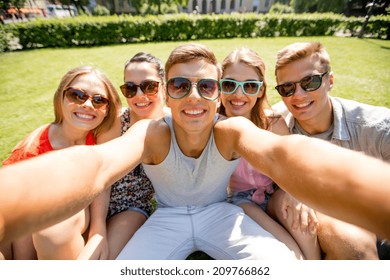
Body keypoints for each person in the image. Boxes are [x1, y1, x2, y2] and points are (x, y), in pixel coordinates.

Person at [0, 43, 390, 256]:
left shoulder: (231, 129)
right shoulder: (151, 132)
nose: (194, 97)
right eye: (180, 86)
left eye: (206, 86)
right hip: (164, 220)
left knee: (282, 266)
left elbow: (286, 155)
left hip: (222, 215)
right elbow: (96, 164)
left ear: (218, 93)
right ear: (166, 94)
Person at [272, 41, 390, 259]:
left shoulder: (378, 128)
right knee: (354, 246)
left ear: (330, 81)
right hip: (333, 222)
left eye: (310, 82)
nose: (298, 95)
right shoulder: (275, 126)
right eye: (287, 88)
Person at [0, 66, 122, 260]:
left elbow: (103, 181)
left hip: (69, 219)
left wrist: (98, 232)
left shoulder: (100, 136)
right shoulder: (32, 150)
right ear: (61, 97)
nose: (88, 105)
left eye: (99, 100)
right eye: (77, 95)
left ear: (107, 110)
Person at [219, 47, 320, 259]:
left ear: (260, 91)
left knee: (300, 218)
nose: (239, 94)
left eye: (249, 86)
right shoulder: (214, 126)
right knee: (288, 249)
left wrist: (295, 195)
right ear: (218, 87)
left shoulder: (272, 123)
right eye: (229, 84)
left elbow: (289, 168)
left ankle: (315, 264)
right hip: (242, 201)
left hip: (276, 192)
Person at [90, 52, 168, 260]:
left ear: (164, 84)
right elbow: (102, 179)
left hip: (132, 208)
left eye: (149, 86)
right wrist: (97, 230)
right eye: (130, 88)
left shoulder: (173, 124)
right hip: (94, 201)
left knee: (106, 259)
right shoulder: (116, 121)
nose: (139, 95)